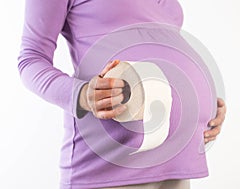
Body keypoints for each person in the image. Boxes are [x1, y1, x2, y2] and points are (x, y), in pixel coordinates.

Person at [18, 0, 226, 189]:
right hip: (112, 161)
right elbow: (31, 59)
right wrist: (81, 95)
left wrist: (205, 105)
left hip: (177, 159)